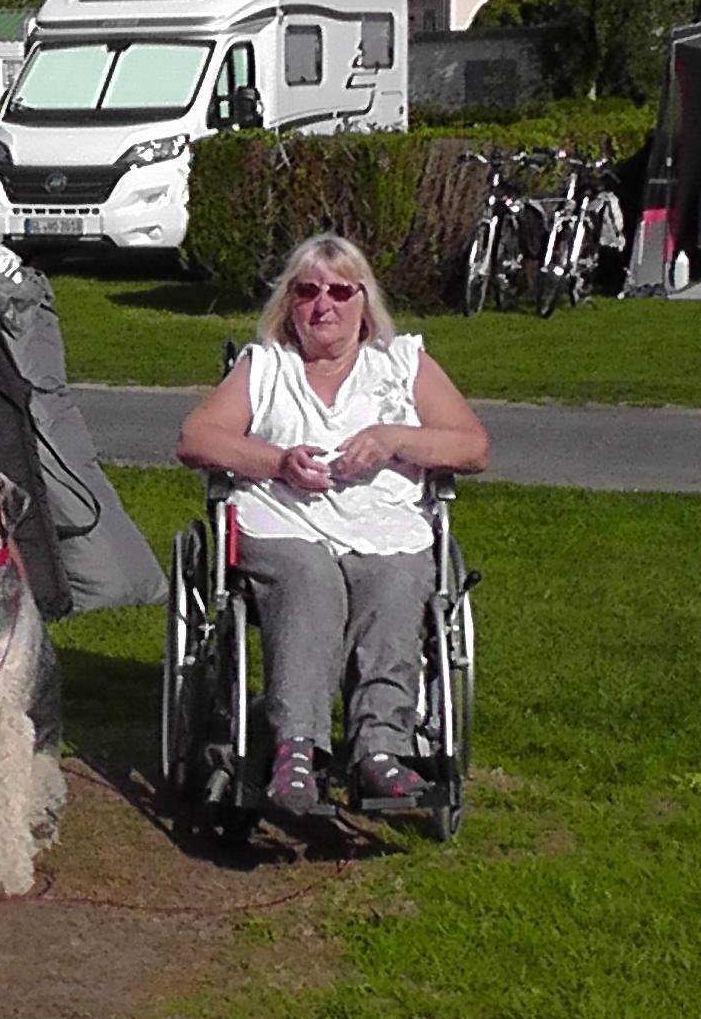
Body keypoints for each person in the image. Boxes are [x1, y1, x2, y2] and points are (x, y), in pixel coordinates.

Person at [175, 232, 488, 814]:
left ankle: (381, 750)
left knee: (394, 584)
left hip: (384, 522)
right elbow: (195, 438)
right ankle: (298, 750)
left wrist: (393, 438)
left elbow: (471, 446)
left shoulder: (401, 363)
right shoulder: (266, 366)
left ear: (364, 302)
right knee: (309, 583)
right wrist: (278, 462)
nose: (325, 305)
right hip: (285, 518)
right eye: (308, 290)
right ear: (288, 303)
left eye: (342, 290)